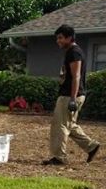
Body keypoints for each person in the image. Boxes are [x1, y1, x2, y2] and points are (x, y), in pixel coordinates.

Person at [43, 24, 100, 165]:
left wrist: (73, 99)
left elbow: (76, 76)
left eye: (61, 38)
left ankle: (58, 157)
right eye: (57, 38)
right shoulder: (71, 51)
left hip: (70, 95)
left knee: (60, 125)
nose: (58, 41)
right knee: (69, 124)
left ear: (69, 37)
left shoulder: (74, 52)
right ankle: (91, 146)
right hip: (71, 94)